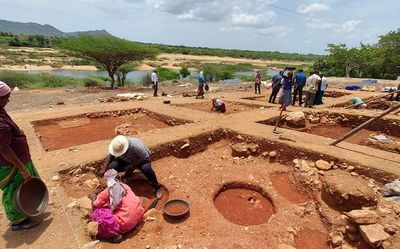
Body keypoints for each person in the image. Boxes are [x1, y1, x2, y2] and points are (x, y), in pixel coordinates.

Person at [0, 81, 41, 231]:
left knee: (26, 186)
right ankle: (18, 221)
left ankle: (28, 209)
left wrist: (17, 133)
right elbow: (4, 149)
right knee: (14, 189)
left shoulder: (1, 111)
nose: (8, 100)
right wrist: (22, 168)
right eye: (6, 97)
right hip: (11, 163)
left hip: (18, 158)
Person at [90, 169, 144, 243]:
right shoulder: (125, 186)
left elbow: (96, 204)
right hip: (138, 216)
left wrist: (93, 197)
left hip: (125, 224)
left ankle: (114, 234)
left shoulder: (108, 190)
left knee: (98, 214)